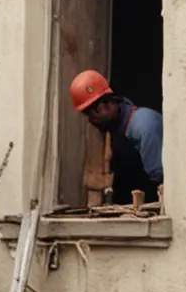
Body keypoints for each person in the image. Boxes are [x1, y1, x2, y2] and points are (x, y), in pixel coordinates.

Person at [69, 69, 164, 203]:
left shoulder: (144, 125)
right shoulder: (119, 130)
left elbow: (160, 180)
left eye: (90, 116)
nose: (92, 122)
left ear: (102, 107)